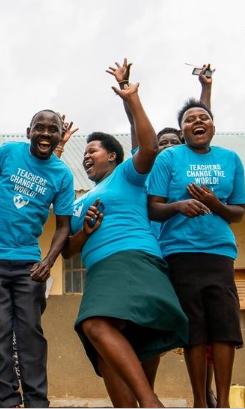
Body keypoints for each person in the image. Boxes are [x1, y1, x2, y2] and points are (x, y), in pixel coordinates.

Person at [64, 67, 187, 409]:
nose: (86, 156)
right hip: (100, 269)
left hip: (130, 258)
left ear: (114, 156)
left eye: (93, 151)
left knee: (94, 323)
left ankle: (150, 403)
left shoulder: (127, 176)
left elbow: (148, 145)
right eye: (85, 153)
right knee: (109, 357)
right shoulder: (78, 200)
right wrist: (85, 231)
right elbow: (68, 251)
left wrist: (131, 99)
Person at [110, 59, 216, 406]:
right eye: (162, 142)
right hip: (151, 259)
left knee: (201, 331)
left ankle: (205, 393)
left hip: (185, 257)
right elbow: (136, 131)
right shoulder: (142, 172)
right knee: (149, 331)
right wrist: (128, 96)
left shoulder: (190, 169)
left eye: (174, 142)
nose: (168, 147)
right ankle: (147, 395)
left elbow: (203, 125)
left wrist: (206, 89)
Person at [0, 105, 77, 408]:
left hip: (29, 264)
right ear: (29, 132)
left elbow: (64, 226)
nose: (45, 133)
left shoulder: (63, 176)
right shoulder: (8, 153)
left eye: (52, 129)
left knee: (30, 334)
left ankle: (36, 401)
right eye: (39, 127)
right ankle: (6, 403)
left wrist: (48, 261)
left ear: (58, 137)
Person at [148, 99, 245, 408]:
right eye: (189, 119)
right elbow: (153, 207)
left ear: (213, 127)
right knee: (194, 330)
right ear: (183, 130)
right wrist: (179, 206)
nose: (196, 122)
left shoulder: (231, 159)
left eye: (202, 117)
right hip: (180, 253)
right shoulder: (169, 159)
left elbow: (239, 211)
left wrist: (215, 204)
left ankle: (223, 403)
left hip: (219, 253)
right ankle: (199, 401)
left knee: (224, 328)